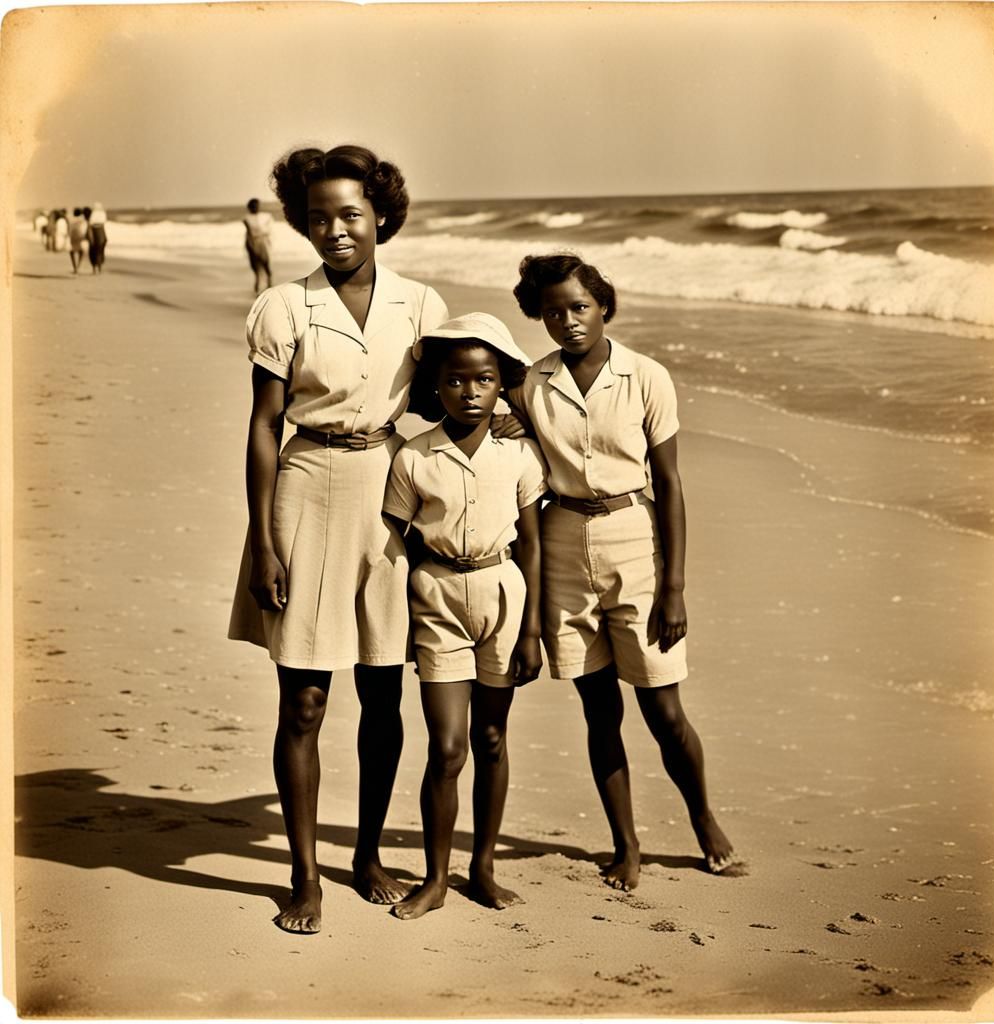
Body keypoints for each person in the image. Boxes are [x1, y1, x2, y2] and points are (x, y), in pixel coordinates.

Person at [227, 145, 522, 935]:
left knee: (385, 692)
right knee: (306, 698)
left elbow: (465, 390)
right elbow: (262, 427)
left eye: (350, 213)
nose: (334, 230)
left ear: (381, 215)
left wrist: (508, 423)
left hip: (390, 493)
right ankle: (303, 877)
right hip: (305, 489)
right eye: (318, 217)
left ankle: (363, 854)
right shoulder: (283, 308)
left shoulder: (423, 305)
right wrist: (263, 542)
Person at [510, 253, 742, 890]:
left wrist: (674, 586)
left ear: (603, 305)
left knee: (664, 710)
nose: (568, 320)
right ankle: (626, 845)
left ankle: (703, 820)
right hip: (561, 547)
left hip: (635, 545)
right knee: (598, 711)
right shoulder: (531, 383)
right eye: (553, 311)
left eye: (579, 306)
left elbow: (668, 483)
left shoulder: (646, 377)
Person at [382, 313, 546, 920]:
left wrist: (532, 630)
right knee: (448, 748)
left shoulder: (521, 456)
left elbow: (530, 544)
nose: (469, 392)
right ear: (436, 386)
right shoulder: (415, 458)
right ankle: (435, 879)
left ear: (502, 383)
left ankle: (483, 868)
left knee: (493, 738)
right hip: (437, 599)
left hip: (505, 598)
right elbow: (395, 541)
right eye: (454, 381)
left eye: (483, 380)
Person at [243, 198, 274, 294]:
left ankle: (269, 286)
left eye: (257, 205)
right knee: (256, 268)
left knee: (266, 264)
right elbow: (249, 234)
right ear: (250, 207)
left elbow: (269, 231)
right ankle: (258, 290)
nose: (256, 207)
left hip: (262, 242)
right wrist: (250, 247)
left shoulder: (266, 216)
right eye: (253, 206)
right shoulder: (247, 219)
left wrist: (269, 242)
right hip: (253, 242)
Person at [86, 203, 107, 273]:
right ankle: (100, 267)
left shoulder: (93, 214)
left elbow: (90, 225)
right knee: (100, 250)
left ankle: (94, 268)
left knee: (93, 250)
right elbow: (103, 225)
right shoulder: (102, 214)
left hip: (94, 232)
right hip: (101, 232)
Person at [68, 208, 88, 273]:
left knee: (72, 251)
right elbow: (84, 228)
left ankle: (75, 267)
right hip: (79, 236)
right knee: (81, 251)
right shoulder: (82, 219)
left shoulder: (71, 220)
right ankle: (78, 266)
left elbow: (69, 228)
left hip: (72, 237)